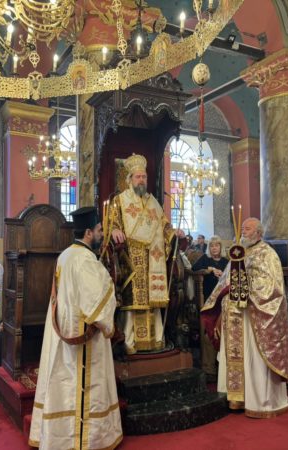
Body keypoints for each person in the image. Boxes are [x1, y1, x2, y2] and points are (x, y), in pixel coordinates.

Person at [29, 207, 122, 450]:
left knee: (63, 381)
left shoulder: (65, 255)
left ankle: (59, 436)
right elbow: (96, 304)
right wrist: (111, 311)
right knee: (82, 384)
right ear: (89, 232)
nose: (102, 234)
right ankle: (85, 439)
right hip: (83, 336)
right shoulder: (85, 260)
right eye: (99, 230)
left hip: (64, 328)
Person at [201, 218, 288, 417]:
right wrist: (226, 295)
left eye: (248, 229)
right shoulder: (238, 252)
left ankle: (257, 399)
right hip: (235, 316)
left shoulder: (267, 254)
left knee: (253, 358)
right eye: (242, 228)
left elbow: (272, 287)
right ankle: (236, 397)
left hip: (254, 318)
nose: (243, 231)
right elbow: (225, 281)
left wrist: (245, 291)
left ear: (258, 232)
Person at [109, 153, 174, 354]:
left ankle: (156, 340)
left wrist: (174, 233)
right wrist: (114, 230)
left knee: (152, 302)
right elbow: (112, 223)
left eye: (144, 177)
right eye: (138, 177)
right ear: (130, 179)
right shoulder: (119, 200)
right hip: (132, 258)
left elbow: (164, 226)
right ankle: (130, 342)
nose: (141, 180)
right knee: (133, 301)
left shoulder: (153, 202)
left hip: (153, 258)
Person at [192, 235, 228, 379]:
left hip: (223, 301)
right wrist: (210, 269)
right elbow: (194, 268)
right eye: (212, 246)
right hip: (209, 301)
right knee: (209, 334)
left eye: (217, 245)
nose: (214, 248)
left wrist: (223, 275)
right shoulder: (205, 259)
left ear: (221, 247)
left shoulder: (226, 261)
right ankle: (209, 368)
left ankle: (222, 367)